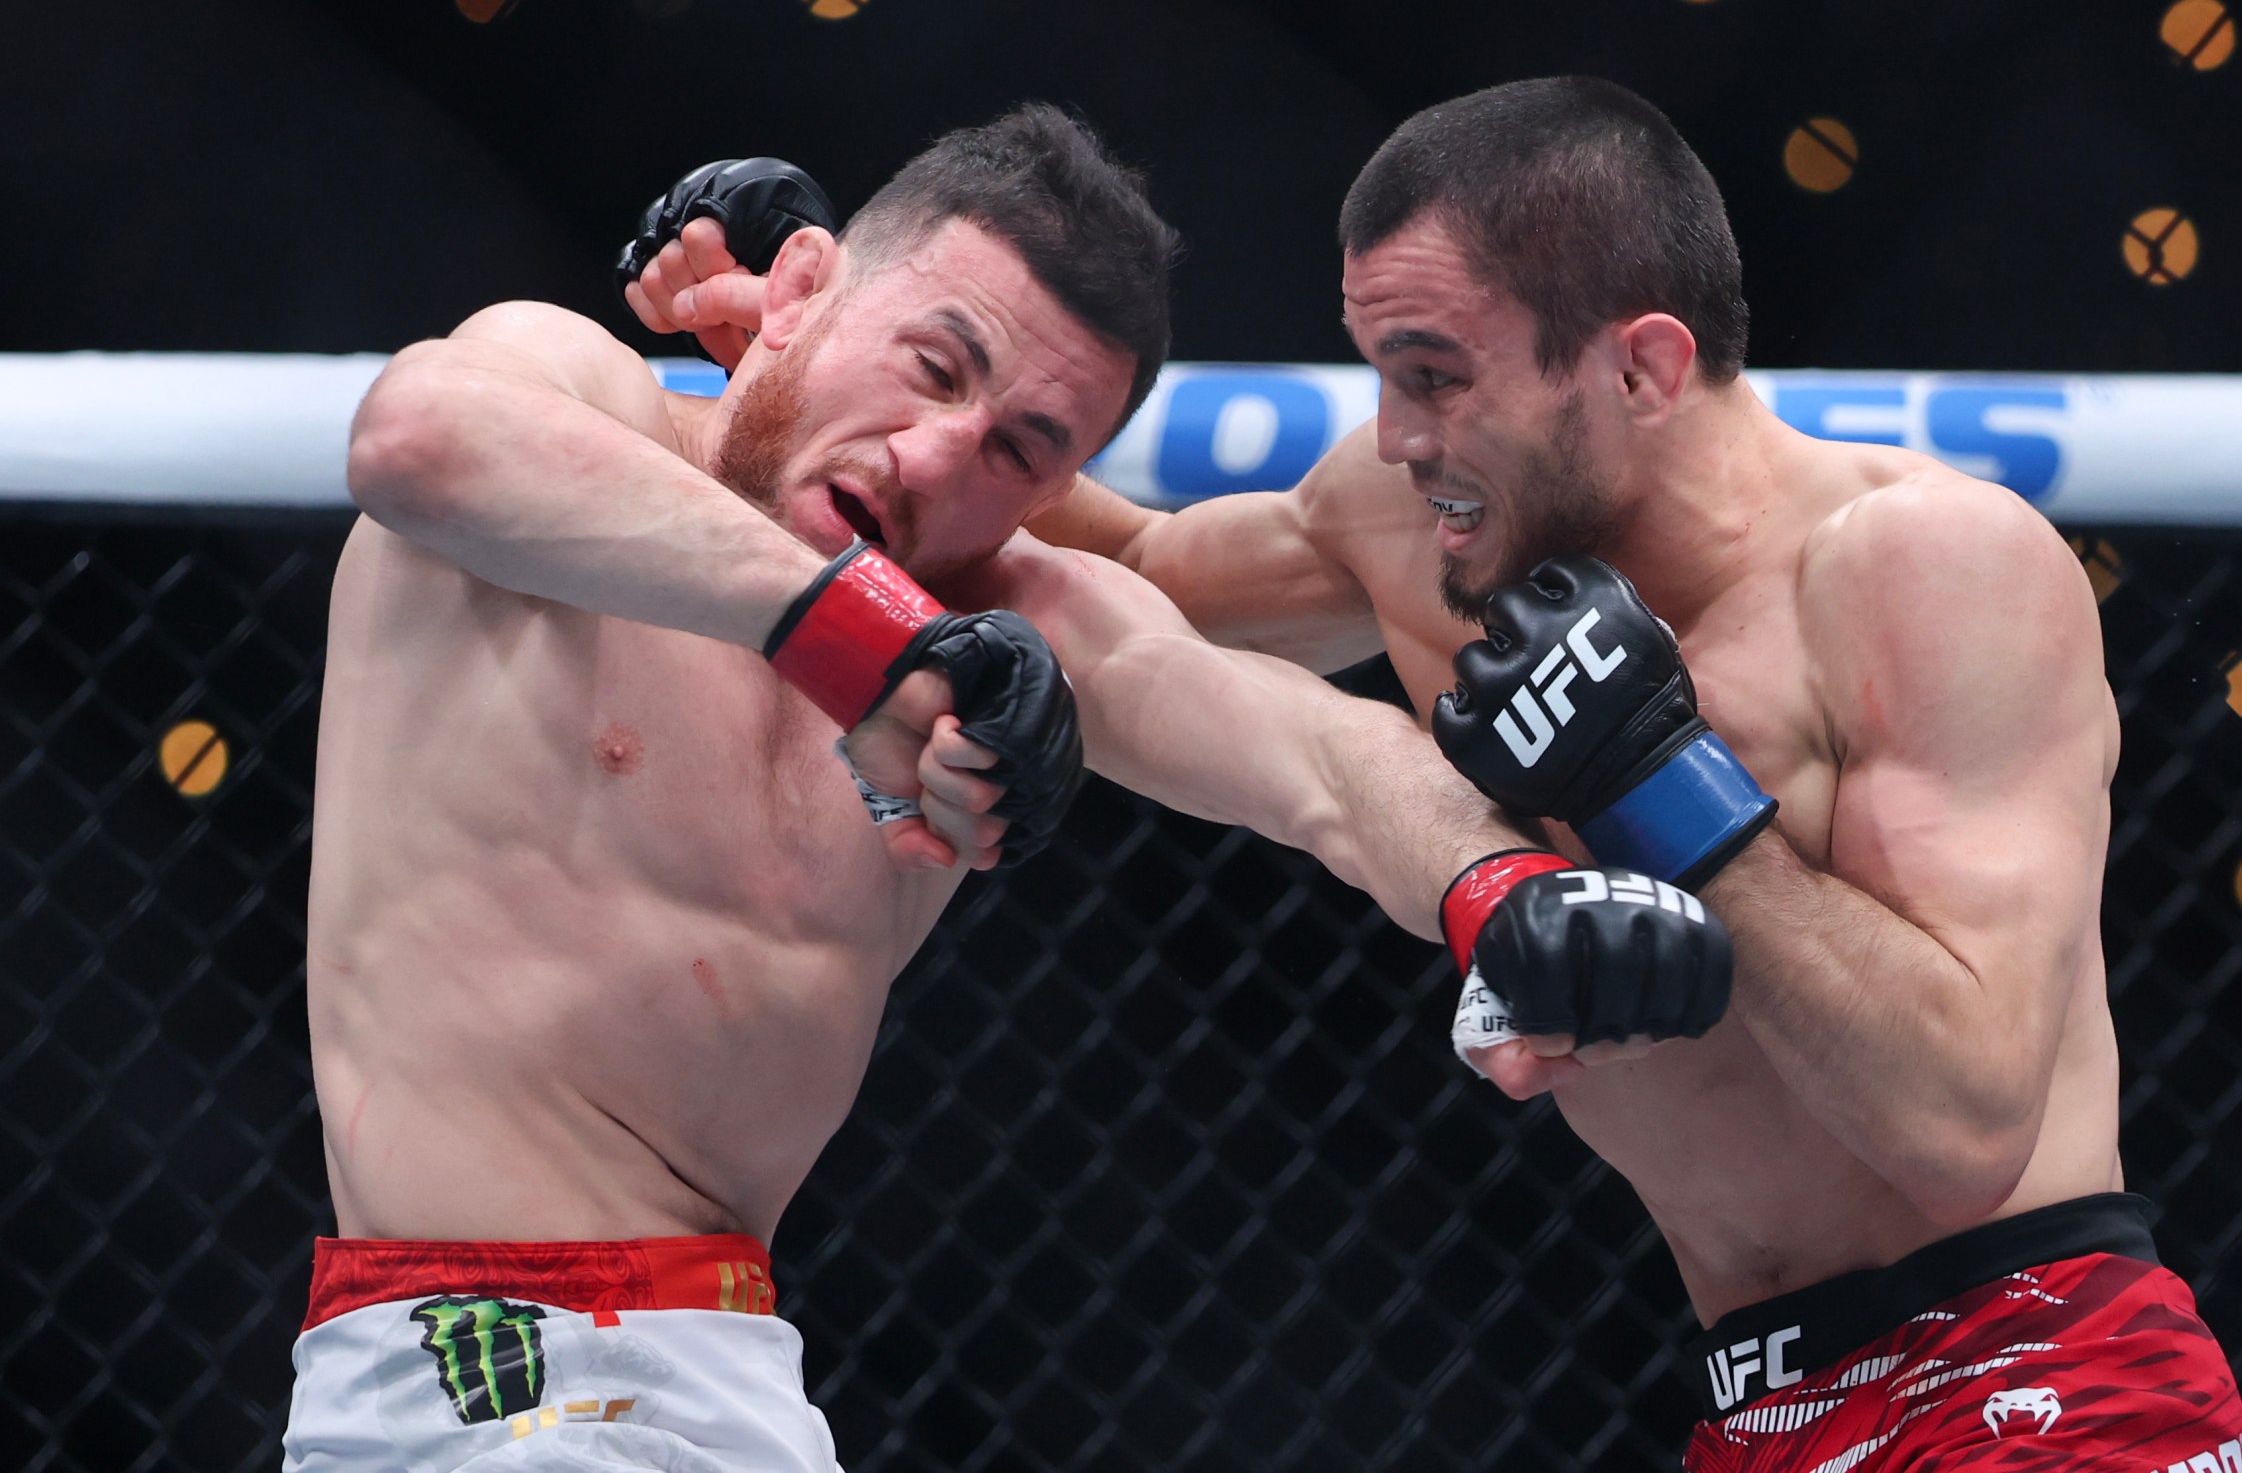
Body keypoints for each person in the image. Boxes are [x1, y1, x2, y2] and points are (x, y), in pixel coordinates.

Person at [641, 79, 2242, 1471]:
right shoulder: (1426, 527)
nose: (1397, 436)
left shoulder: (1926, 565)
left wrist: (1667, 788)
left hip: (2039, 1370)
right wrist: (803, 334)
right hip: (1759, 1399)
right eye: (1379, 374)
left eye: (1436, 376)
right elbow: (1130, 563)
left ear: (1636, 367)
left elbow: (1966, 1120)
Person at [289, 102, 1731, 1473]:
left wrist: (1503, 890)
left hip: (733, 1365)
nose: (935, 460)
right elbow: (419, 443)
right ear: (796, 291)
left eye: (1020, 451)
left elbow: (1299, 748)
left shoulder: (1003, 616)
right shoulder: (576, 403)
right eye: (933, 366)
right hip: (472, 1357)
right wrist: (865, 645)